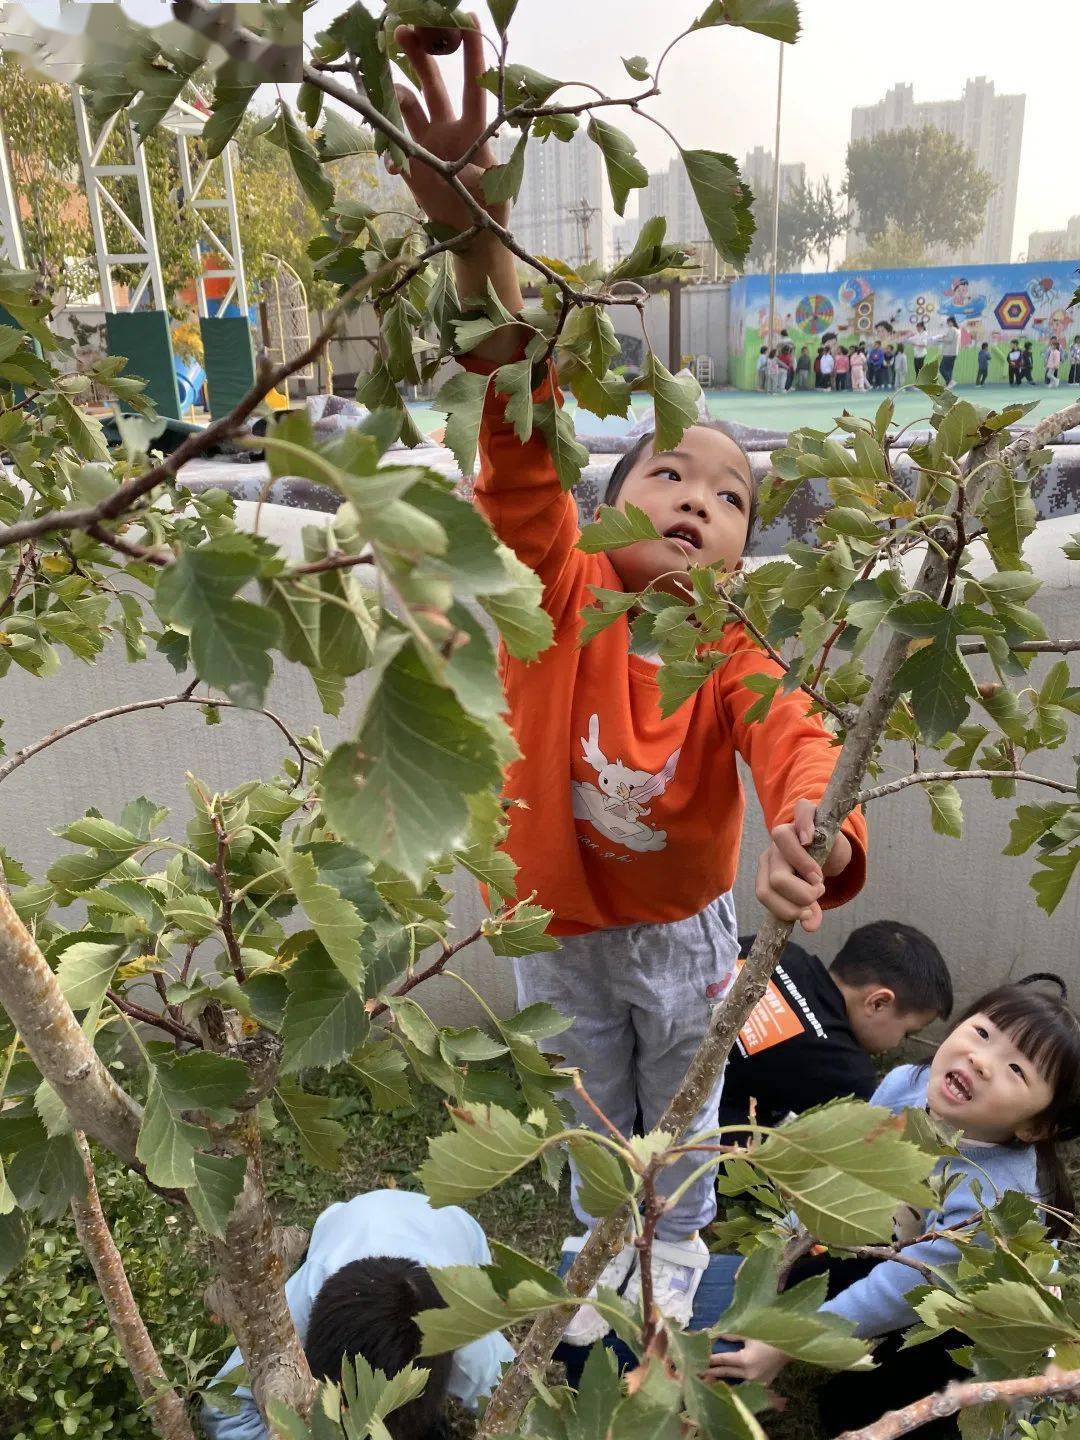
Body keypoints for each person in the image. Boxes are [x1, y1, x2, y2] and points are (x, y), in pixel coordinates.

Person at [387, 16, 868, 1342]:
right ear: (606, 502)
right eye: (671, 470)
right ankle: (606, 1245)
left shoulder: (731, 643)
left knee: (686, 1101)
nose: (703, 499)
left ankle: (674, 1247)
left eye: (733, 496)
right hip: (550, 927)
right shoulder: (555, 583)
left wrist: (813, 840)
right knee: (589, 1099)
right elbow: (520, 452)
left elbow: (799, 743)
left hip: (686, 931)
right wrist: (481, 243)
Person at [709, 977, 1080, 1439]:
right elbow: (844, 1176)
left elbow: (902, 1286)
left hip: (966, 1318)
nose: (982, 1062)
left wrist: (790, 1343)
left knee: (864, 1411)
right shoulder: (906, 1084)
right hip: (900, 1238)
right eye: (983, 1034)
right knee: (808, 1273)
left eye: (1017, 1071)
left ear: (1034, 1128)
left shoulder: (992, 1200)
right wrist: (780, 1248)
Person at [201, 1191, 514, 1440]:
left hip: (455, 1229)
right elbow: (224, 1406)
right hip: (347, 1219)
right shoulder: (303, 1302)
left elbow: (522, 1407)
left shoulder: (472, 1346)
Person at [717, 921, 952, 1131]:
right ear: (878, 1003)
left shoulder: (783, 952)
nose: (897, 1044)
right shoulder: (849, 1073)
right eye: (907, 1033)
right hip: (703, 1149)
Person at [938, 316, 960, 386]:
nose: (947, 324)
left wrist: (942, 339)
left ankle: (950, 381)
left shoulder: (952, 329)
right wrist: (945, 337)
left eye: (948, 322)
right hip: (954, 353)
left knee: (942, 368)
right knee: (949, 370)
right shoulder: (957, 330)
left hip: (948, 353)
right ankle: (949, 384)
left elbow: (949, 339)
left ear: (951, 322)